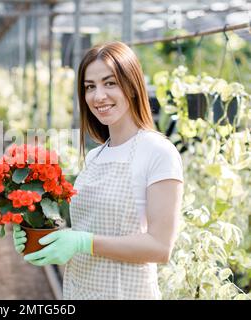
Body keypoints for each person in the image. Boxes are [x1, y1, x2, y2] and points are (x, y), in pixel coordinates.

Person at [12, 41, 184, 300]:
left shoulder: (158, 152)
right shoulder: (95, 155)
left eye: (110, 83)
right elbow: (87, 227)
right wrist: (39, 233)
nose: (98, 96)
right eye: (90, 87)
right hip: (79, 291)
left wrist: (83, 242)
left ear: (133, 86)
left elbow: (160, 247)